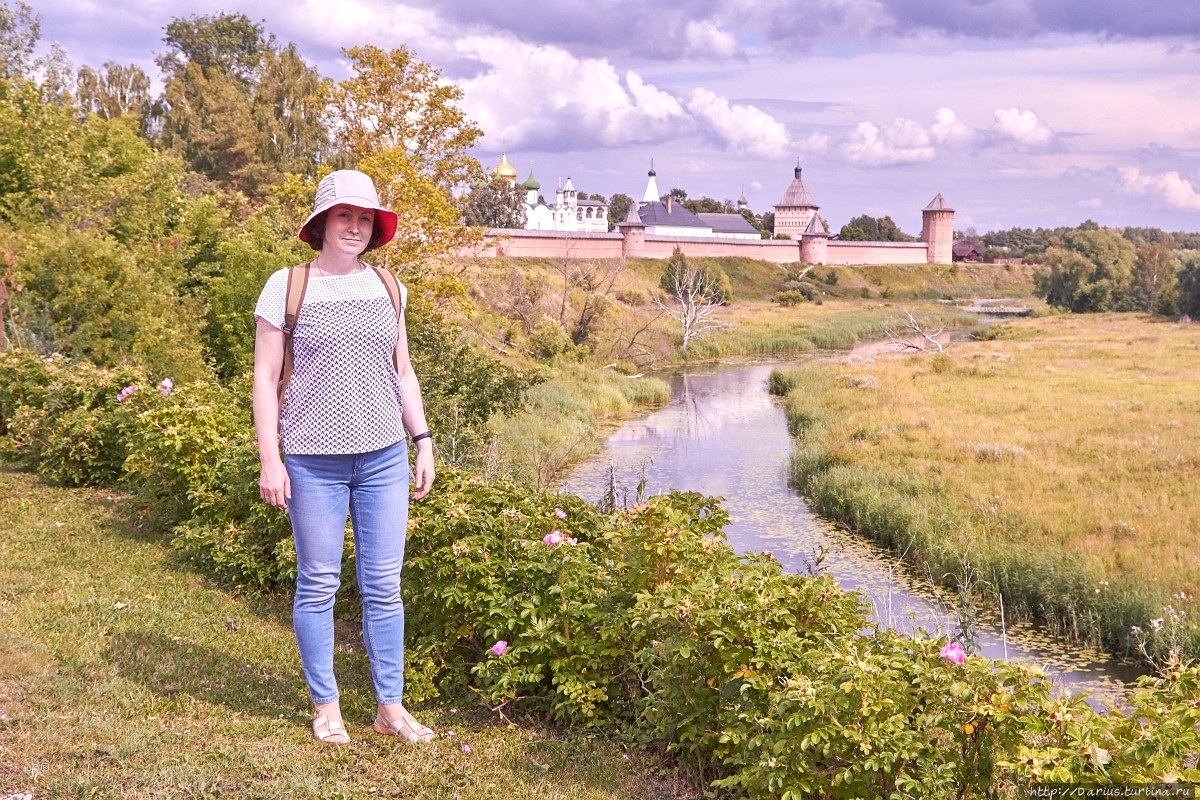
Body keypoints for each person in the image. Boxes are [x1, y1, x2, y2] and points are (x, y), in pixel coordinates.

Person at [252, 169, 435, 745]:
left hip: (384, 457)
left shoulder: (389, 287)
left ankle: (389, 706)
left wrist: (422, 439)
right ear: (322, 224)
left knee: (384, 586)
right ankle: (326, 705)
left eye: (364, 218)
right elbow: (262, 378)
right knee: (318, 583)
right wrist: (270, 459)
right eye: (344, 216)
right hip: (310, 460)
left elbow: (401, 371)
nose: (354, 227)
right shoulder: (286, 286)